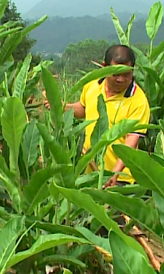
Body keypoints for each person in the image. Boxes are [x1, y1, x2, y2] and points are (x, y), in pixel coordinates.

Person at [64, 44, 150, 187]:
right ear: (104, 67)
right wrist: (61, 107)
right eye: (115, 73)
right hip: (90, 174)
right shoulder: (92, 86)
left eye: (126, 74)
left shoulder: (138, 100)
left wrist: (115, 173)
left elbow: (131, 141)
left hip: (120, 179)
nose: (121, 79)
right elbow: (83, 109)